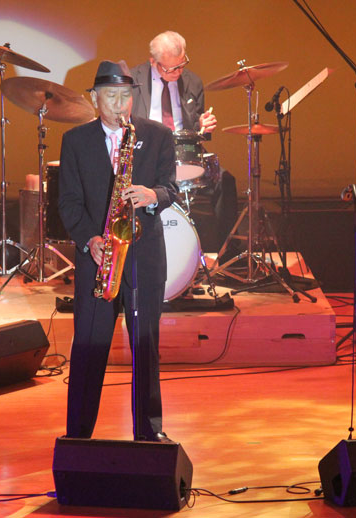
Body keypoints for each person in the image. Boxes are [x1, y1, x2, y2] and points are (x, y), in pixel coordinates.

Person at [58, 60, 179, 441]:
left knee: (146, 346)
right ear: (95, 98)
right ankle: (78, 436)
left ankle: (149, 433)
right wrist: (89, 239)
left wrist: (152, 195)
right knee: (89, 346)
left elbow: (172, 189)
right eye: (111, 96)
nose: (119, 104)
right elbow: (68, 203)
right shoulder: (75, 140)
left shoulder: (158, 135)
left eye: (126, 96)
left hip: (144, 257)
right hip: (98, 257)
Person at [131, 30, 238, 253]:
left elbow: (196, 131)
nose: (177, 72)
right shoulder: (133, 81)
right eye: (170, 69)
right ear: (153, 62)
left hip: (182, 153)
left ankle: (228, 252)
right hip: (147, 155)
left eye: (181, 65)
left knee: (225, 181)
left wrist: (202, 125)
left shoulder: (193, 82)